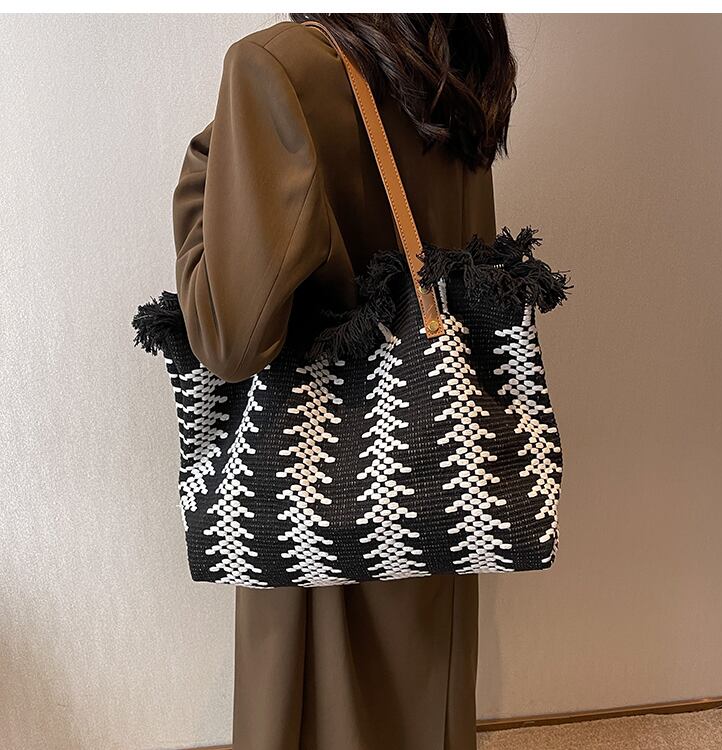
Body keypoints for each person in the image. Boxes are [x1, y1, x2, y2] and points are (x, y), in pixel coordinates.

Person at [171, 14, 517, 750]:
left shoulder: (276, 67)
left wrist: (207, 174)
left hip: (318, 501)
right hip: (438, 477)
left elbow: (230, 339)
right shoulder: (455, 58)